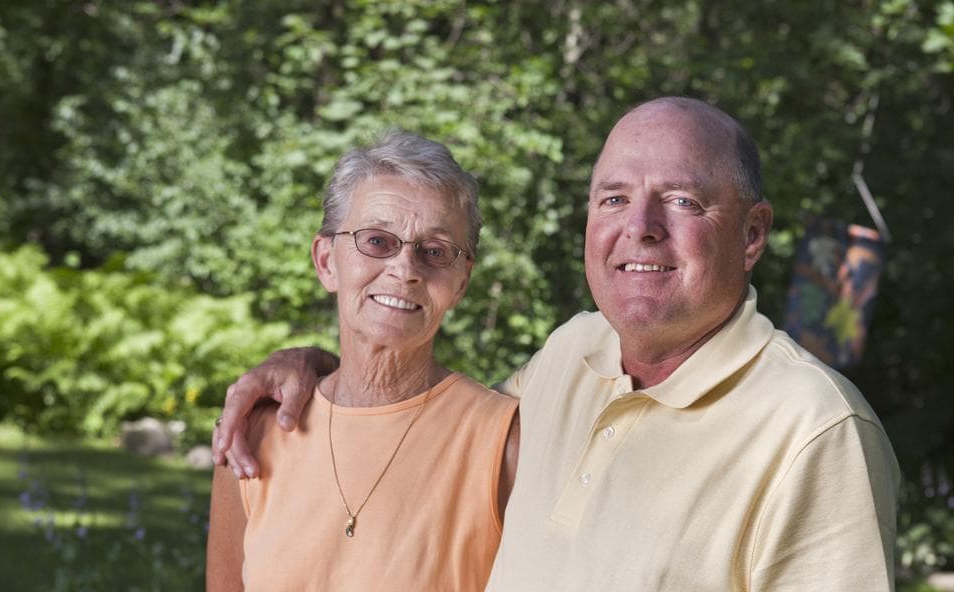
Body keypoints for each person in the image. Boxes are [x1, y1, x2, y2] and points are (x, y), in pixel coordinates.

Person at [213, 97, 900, 591]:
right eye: (613, 198)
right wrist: (313, 366)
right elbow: (407, 404)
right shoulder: (572, 356)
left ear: (752, 235)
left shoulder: (815, 430)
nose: (642, 227)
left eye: (684, 201)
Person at [206, 130, 520, 591]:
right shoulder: (253, 432)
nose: (405, 270)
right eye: (377, 241)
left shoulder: (503, 443)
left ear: (461, 281)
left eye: (434, 252)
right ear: (327, 260)